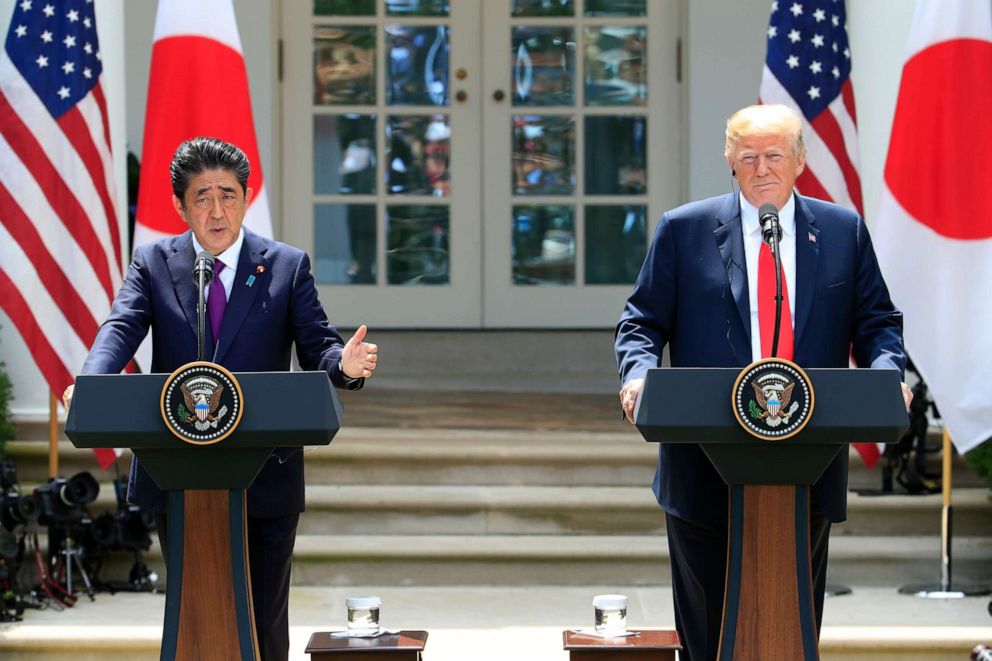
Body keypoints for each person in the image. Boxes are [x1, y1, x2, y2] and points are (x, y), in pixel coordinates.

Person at [63, 137, 378, 661]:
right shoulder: (154, 262)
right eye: (202, 197)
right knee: (197, 611)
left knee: (263, 616)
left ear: (247, 198)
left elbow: (319, 343)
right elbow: (120, 327)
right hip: (178, 469)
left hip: (265, 473)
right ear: (180, 206)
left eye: (228, 196)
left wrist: (342, 366)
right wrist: (91, 382)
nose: (216, 210)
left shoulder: (285, 265)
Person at [614, 104, 911, 661]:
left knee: (790, 627)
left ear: (800, 160)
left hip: (807, 462)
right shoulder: (684, 230)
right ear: (729, 160)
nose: (762, 168)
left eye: (775, 155)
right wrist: (636, 377)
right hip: (703, 466)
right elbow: (641, 323)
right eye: (748, 156)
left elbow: (877, 323)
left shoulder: (842, 232)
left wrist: (887, 375)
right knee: (707, 632)